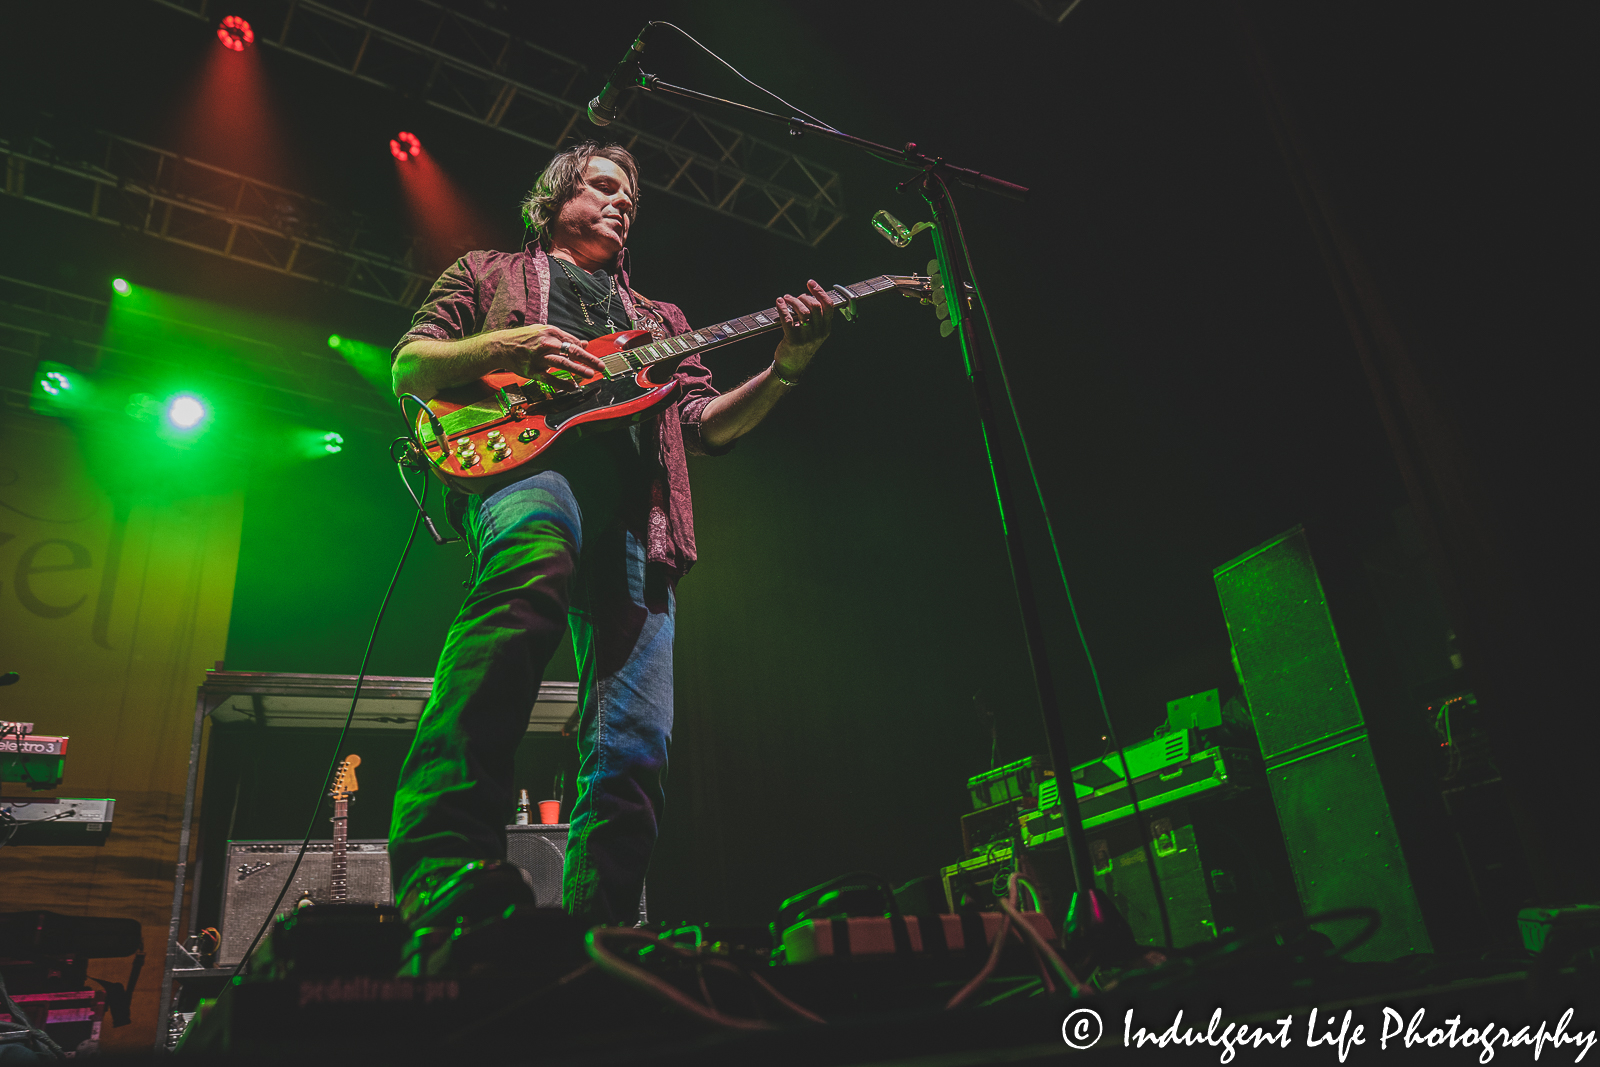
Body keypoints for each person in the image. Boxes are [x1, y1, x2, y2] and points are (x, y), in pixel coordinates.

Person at [386, 141, 834, 970]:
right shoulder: (488, 272)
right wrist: (503, 349)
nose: (621, 201)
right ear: (554, 200)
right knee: (528, 581)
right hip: (527, 470)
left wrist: (787, 368)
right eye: (601, 186)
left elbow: (710, 425)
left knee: (636, 738)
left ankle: (605, 938)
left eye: (630, 194)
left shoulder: (661, 320)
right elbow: (410, 366)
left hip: (640, 516)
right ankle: (443, 879)